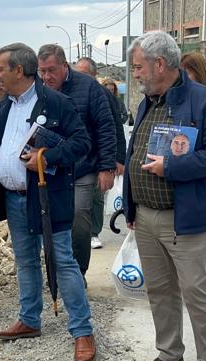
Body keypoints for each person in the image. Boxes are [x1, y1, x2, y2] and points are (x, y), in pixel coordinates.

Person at [124, 31, 206, 361]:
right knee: (159, 290)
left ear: (160, 65)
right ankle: (170, 356)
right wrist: (130, 202)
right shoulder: (147, 102)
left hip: (185, 219)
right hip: (147, 216)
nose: (135, 74)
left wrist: (171, 166)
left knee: (195, 292)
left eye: (139, 67)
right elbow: (135, 151)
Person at [0, 42, 96, 361]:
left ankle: (82, 331)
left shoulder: (56, 103)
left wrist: (47, 157)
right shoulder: (4, 106)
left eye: (0, 68)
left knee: (63, 261)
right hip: (12, 198)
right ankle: (29, 319)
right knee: (25, 260)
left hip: (46, 198)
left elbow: (82, 143)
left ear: (18, 70)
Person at [37, 45, 117, 284]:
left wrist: (107, 167)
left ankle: (78, 274)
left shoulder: (89, 87)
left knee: (79, 220)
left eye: (51, 70)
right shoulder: (38, 90)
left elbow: (106, 127)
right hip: (50, 169)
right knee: (50, 221)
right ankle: (57, 271)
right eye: (42, 71)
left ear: (64, 66)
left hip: (83, 168)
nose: (47, 76)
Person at [72, 58, 127, 253]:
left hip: (99, 158)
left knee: (96, 197)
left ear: (94, 75)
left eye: (84, 74)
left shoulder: (103, 94)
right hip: (78, 159)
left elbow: (115, 128)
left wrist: (118, 159)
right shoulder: (71, 92)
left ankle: (93, 232)